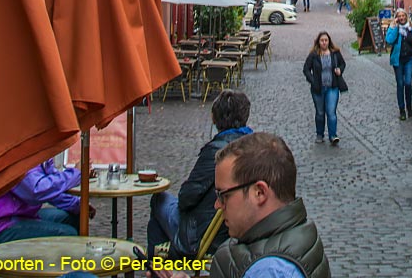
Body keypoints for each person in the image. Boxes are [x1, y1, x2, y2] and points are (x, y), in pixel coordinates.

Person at [208, 133, 330, 278]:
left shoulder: (269, 271)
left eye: (224, 195)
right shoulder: (296, 232)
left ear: (259, 193)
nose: (217, 205)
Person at [147, 90, 252, 256]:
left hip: (203, 234)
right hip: (230, 231)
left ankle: (159, 268)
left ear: (214, 119)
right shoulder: (254, 147)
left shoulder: (218, 152)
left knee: (159, 200)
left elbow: (187, 198)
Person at [0, 158, 86, 243]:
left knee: (72, 217)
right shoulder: (18, 154)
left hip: (20, 214)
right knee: (68, 233)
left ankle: (73, 268)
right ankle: (61, 272)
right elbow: (36, 191)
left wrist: (75, 204)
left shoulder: (41, 152)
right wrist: (75, 174)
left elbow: (49, 190)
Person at [301, 32, 347, 146]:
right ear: (318, 42)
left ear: (329, 41)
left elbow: (342, 64)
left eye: (326, 40)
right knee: (320, 112)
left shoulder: (335, 53)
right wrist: (313, 80)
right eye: (322, 40)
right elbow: (306, 69)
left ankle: (333, 135)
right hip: (318, 88)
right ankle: (320, 134)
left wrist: (340, 70)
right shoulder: (314, 55)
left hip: (332, 86)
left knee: (331, 112)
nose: (324, 42)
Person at [385, 8, 412, 121]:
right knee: (400, 84)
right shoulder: (393, 28)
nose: (402, 18)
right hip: (398, 61)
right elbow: (389, 40)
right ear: (397, 17)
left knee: (408, 83)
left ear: (406, 16)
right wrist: (396, 27)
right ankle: (402, 110)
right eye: (399, 16)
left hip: (409, 59)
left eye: (403, 16)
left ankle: (409, 108)